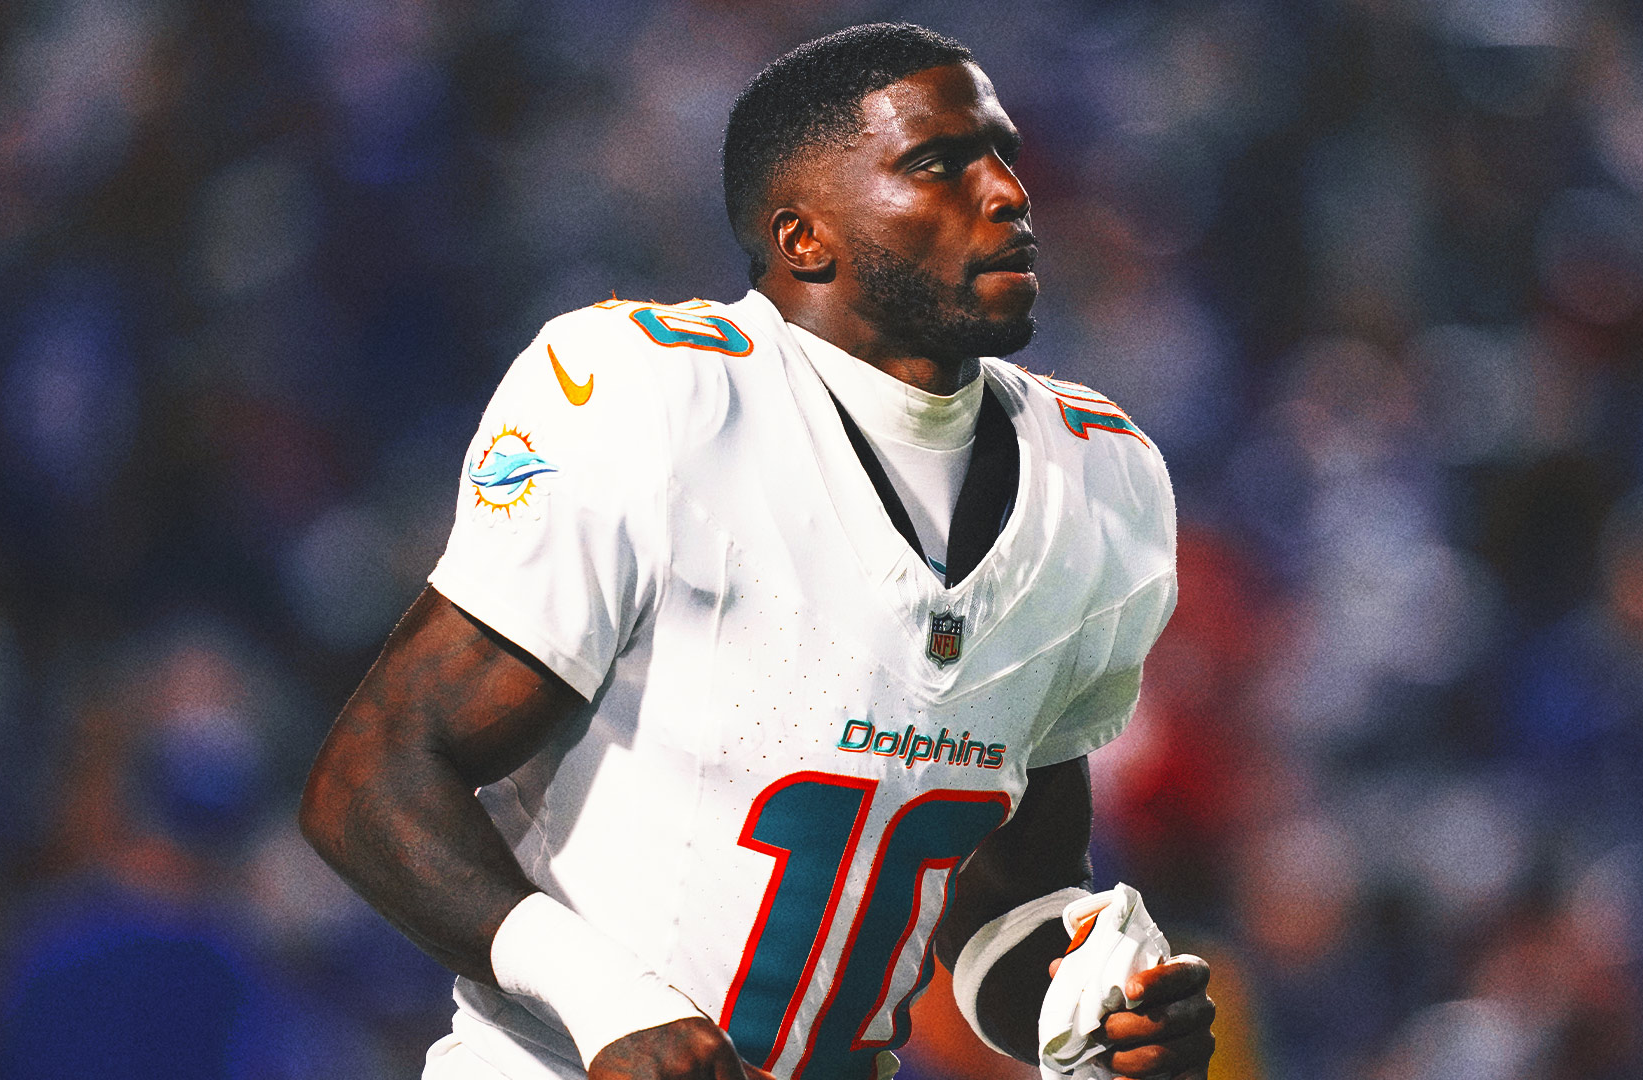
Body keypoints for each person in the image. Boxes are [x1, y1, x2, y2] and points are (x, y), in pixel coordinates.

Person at [299, 22, 1215, 1080]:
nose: (1008, 193)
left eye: (1002, 156)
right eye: (939, 164)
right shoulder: (657, 398)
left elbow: (1006, 895)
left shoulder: (1100, 480)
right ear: (804, 238)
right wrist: (604, 1000)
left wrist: (1097, 1008)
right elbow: (370, 775)